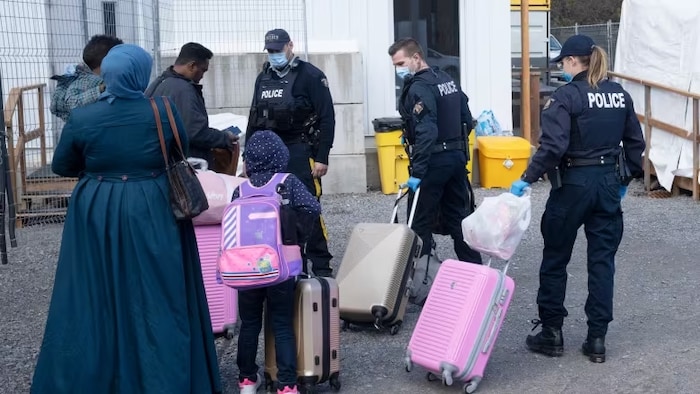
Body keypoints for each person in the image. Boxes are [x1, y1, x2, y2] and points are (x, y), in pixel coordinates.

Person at [31, 44, 222, 393]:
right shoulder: (162, 110)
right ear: (140, 73)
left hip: (97, 208)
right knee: (157, 292)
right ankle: (162, 377)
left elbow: (62, 165)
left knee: (91, 292)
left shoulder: (84, 116)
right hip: (152, 205)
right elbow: (179, 151)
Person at [510, 34, 645, 363]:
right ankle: (597, 339)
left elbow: (553, 147)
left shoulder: (566, 97)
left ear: (573, 61)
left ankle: (552, 333)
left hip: (572, 185)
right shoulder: (619, 95)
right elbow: (636, 145)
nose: (562, 69)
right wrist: (624, 178)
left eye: (564, 63)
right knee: (602, 263)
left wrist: (525, 178)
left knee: (556, 258)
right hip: (608, 185)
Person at [234, 130, 321, 394]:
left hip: (246, 269)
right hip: (280, 267)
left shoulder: (240, 189)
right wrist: (296, 236)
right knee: (282, 323)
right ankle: (286, 384)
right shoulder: (287, 182)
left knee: (249, 324)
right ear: (281, 155)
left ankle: (247, 379)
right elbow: (313, 208)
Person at [244, 28, 335, 277]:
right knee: (273, 207)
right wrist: (247, 156)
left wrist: (322, 157)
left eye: (278, 49)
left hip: (299, 149)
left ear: (290, 46)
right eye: (270, 51)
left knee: (308, 207)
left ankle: (321, 267)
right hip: (269, 153)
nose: (274, 55)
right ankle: (290, 265)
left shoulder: (310, 76)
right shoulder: (263, 77)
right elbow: (254, 117)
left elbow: (327, 117)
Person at [388, 38, 483, 269]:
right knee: (459, 219)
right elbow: (466, 119)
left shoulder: (419, 88)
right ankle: (476, 273)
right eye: (394, 65)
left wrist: (418, 172)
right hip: (456, 159)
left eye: (400, 63)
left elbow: (427, 131)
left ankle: (423, 279)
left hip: (433, 163)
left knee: (420, 224)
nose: (398, 69)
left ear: (416, 58)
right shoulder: (446, 79)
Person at [145, 42, 237, 169]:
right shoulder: (183, 90)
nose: (202, 76)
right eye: (203, 70)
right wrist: (224, 138)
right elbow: (194, 132)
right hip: (186, 165)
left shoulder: (159, 83)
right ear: (192, 66)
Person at [50, 34, 123, 122]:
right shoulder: (85, 80)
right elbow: (71, 103)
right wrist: (100, 89)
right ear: (105, 63)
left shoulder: (92, 75)